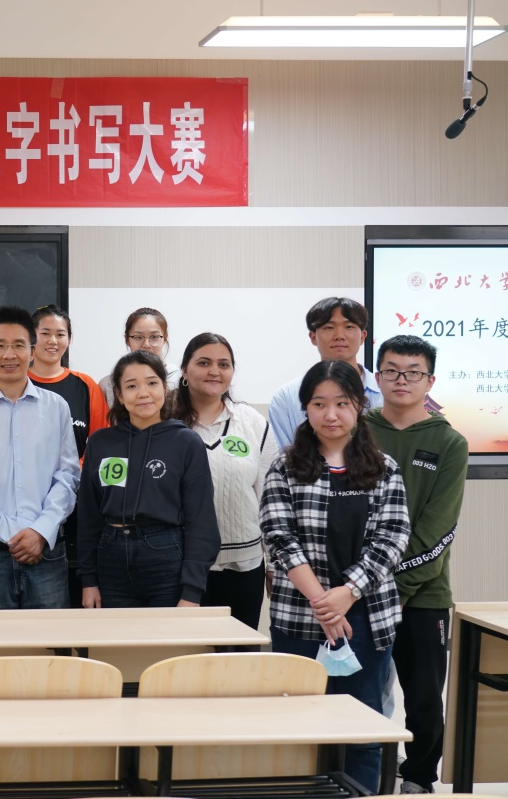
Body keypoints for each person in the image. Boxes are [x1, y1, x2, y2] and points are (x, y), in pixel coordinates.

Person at [261, 360, 410, 795]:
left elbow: (393, 537)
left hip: (367, 617)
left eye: (342, 403)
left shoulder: (384, 468)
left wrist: (347, 593)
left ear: (359, 406)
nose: (331, 415)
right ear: (305, 409)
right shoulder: (285, 467)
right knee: (300, 723)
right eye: (319, 404)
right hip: (300, 618)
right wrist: (323, 603)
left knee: (363, 727)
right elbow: (279, 537)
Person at [363, 335, 468, 796]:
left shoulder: (450, 442)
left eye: (413, 372)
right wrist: (365, 583)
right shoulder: (357, 431)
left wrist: (395, 589)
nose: (401, 380)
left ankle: (420, 776)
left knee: (424, 695)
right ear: (378, 376)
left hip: (423, 592)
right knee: (360, 689)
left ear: (430, 380)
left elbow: (438, 531)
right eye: (391, 370)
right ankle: (362, 768)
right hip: (358, 589)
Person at [0, 306, 80, 610]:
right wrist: (13, 536)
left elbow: (67, 476)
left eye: (19, 345)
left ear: (32, 351)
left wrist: (40, 531)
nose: (9, 354)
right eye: (0, 345)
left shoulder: (56, 407)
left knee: (51, 638)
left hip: (48, 550)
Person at [78, 350, 220, 609]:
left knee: (167, 636)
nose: (143, 393)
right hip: (110, 559)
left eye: (152, 383)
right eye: (132, 386)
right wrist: (89, 580)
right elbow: (88, 515)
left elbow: (201, 520)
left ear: (165, 388)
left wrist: (192, 592)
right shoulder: (101, 443)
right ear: (119, 395)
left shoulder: (186, 442)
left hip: (166, 557)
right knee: (115, 635)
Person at [170, 333, 276, 630]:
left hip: (244, 566)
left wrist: (274, 563)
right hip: (180, 566)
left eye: (223, 364)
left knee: (238, 653)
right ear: (184, 370)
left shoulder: (252, 422)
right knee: (187, 653)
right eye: (204, 363)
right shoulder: (164, 422)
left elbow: (271, 498)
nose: (214, 371)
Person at [27, 304, 109, 607]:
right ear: (32, 338)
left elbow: (100, 444)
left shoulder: (85, 385)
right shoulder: (17, 383)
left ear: (69, 339)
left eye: (60, 334)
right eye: (45, 333)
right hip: (28, 505)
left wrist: (71, 472)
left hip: (77, 504)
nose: (53, 341)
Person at [267, 297, 383, 450]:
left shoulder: (385, 391)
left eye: (349, 326)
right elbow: (285, 456)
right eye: (329, 327)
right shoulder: (286, 397)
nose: (339, 335)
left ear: (362, 337)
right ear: (313, 337)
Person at [99, 307, 179, 405]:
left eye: (154, 337)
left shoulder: (179, 380)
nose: (146, 344)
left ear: (165, 338)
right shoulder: (107, 385)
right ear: (127, 340)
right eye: (138, 337)